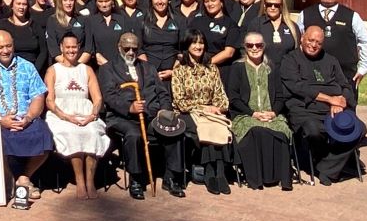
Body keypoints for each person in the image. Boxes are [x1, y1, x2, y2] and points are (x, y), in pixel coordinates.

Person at [101, 33, 186, 199]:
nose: (131, 52)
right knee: (134, 135)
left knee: (174, 129)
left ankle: (171, 177)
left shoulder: (149, 68)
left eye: (134, 48)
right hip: (122, 117)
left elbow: (163, 94)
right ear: (119, 48)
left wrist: (164, 111)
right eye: (127, 48)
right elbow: (110, 96)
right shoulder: (108, 69)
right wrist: (129, 107)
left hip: (151, 115)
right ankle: (137, 178)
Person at [0, 31, 52, 200]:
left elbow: (38, 96)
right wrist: (1, 119)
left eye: (8, 46)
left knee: (44, 135)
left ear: (13, 45)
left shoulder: (27, 67)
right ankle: (9, 180)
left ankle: (23, 178)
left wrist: (29, 117)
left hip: (24, 117)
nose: (5, 50)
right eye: (0, 47)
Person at [281, 26, 365, 185]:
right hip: (305, 110)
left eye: (318, 43)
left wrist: (340, 101)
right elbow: (297, 87)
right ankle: (330, 166)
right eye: (310, 40)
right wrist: (329, 99)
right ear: (302, 38)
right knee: (313, 130)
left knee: (359, 129)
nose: (313, 45)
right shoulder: (290, 59)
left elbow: (346, 85)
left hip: (333, 110)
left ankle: (326, 168)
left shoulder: (331, 60)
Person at [44, 33, 110, 199]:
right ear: (61, 48)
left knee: (92, 133)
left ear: (79, 48)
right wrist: (66, 117)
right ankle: (79, 181)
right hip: (61, 114)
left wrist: (93, 115)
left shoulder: (86, 70)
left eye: (74, 47)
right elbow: (50, 101)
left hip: (86, 113)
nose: (71, 50)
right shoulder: (53, 70)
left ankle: (90, 181)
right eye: (68, 47)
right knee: (72, 133)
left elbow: (97, 98)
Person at [227, 32, 292, 191]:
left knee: (282, 131)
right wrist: (253, 113)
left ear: (264, 46)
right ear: (245, 47)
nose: (254, 48)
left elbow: (280, 96)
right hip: (245, 115)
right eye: (250, 45)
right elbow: (233, 98)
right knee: (256, 131)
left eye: (258, 45)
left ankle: (281, 178)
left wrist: (273, 113)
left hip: (270, 114)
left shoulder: (272, 67)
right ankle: (257, 179)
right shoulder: (237, 68)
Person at [171, 29, 233, 195]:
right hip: (187, 112)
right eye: (194, 42)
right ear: (187, 45)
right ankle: (210, 173)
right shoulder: (180, 69)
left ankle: (219, 173)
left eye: (201, 43)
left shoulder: (211, 68)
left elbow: (221, 96)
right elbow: (180, 101)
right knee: (206, 129)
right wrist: (203, 108)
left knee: (217, 126)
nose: (198, 46)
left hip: (211, 111)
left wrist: (217, 108)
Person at [296, 0, 367, 103]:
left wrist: (363, 68)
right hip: (314, 74)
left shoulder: (352, 16)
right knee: (317, 113)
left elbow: (365, 42)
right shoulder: (305, 15)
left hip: (346, 75)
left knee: (346, 117)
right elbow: (299, 41)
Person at [190, 0, 240, 85]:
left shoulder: (230, 24)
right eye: (206, 1)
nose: (209, 4)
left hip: (221, 71)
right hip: (196, 70)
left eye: (213, 0)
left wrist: (207, 64)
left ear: (221, 2)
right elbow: (188, 43)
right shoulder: (197, 21)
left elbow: (229, 52)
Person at [138, 0, 181, 86]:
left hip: (174, 76)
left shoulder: (179, 20)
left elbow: (183, 49)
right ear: (151, 1)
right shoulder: (141, 21)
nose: (160, 1)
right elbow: (139, 49)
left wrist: (174, 71)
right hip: (148, 75)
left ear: (168, 0)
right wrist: (150, 71)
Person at [0, 0, 47, 72]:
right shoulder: (2, 25)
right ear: (12, 5)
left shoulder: (34, 26)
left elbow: (43, 51)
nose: (21, 7)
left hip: (32, 71)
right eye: (18, 4)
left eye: (24, 4)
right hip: (9, 71)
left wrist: (34, 70)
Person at [84, 0, 134, 67]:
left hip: (121, 67)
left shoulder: (122, 20)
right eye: (100, 1)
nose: (103, 5)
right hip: (100, 68)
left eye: (107, 1)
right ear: (96, 2)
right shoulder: (90, 21)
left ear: (112, 1)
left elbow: (128, 46)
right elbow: (89, 48)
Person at [247, 0, 299, 68]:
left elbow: (297, 51)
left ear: (281, 6)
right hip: (263, 70)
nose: (273, 7)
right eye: (269, 4)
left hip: (287, 70)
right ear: (264, 6)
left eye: (276, 5)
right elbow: (247, 48)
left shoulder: (292, 26)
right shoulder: (256, 24)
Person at [46, 0, 85, 65]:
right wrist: (67, 65)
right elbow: (53, 49)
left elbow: (88, 48)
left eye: (71, 0)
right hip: (59, 65)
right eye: (65, 0)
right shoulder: (52, 20)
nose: (68, 3)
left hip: (80, 65)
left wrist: (77, 65)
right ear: (60, 1)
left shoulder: (82, 19)